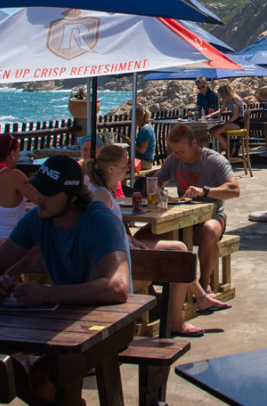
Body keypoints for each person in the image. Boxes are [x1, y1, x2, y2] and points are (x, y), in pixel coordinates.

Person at [0, 155, 131, 404]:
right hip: (60, 320)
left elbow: (117, 287)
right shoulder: (38, 218)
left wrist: (48, 293)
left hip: (108, 324)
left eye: (49, 193)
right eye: (39, 190)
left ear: (72, 197)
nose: (39, 198)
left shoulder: (100, 220)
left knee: (42, 377)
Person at [83, 144, 229, 338]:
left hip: (122, 247)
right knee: (179, 252)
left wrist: (131, 239)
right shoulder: (101, 195)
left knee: (179, 248)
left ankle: (199, 298)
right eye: (124, 164)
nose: (128, 167)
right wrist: (129, 242)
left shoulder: (104, 190)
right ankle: (178, 319)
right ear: (110, 168)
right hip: (117, 258)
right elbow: (102, 234)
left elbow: (111, 229)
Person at [140, 125, 240, 296]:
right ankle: (147, 285)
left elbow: (234, 189)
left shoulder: (213, 160)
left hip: (213, 216)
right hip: (181, 218)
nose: (178, 155)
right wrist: (158, 191)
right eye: (175, 151)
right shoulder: (173, 160)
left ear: (194, 143)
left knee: (209, 231)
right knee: (141, 238)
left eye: (182, 151)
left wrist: (205, 191)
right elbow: (156, 181)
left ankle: (203, 284)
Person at [208, 85, 245, 155]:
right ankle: (229, 144)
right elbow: (221, 110)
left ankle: (229, 148)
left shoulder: (235, 100)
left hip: (238, 122)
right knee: (212, 130)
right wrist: (211, 115)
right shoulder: (228, 99)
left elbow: (235, 116)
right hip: (233, 121)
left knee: (217, 131)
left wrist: (225, 123)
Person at [133, 106, 156, 171]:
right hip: (147, 161)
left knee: (121, 165)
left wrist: (130, 143)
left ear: (138, 118)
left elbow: (142, 150)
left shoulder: (144, 130)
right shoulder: (148, 127)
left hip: (144, 162)